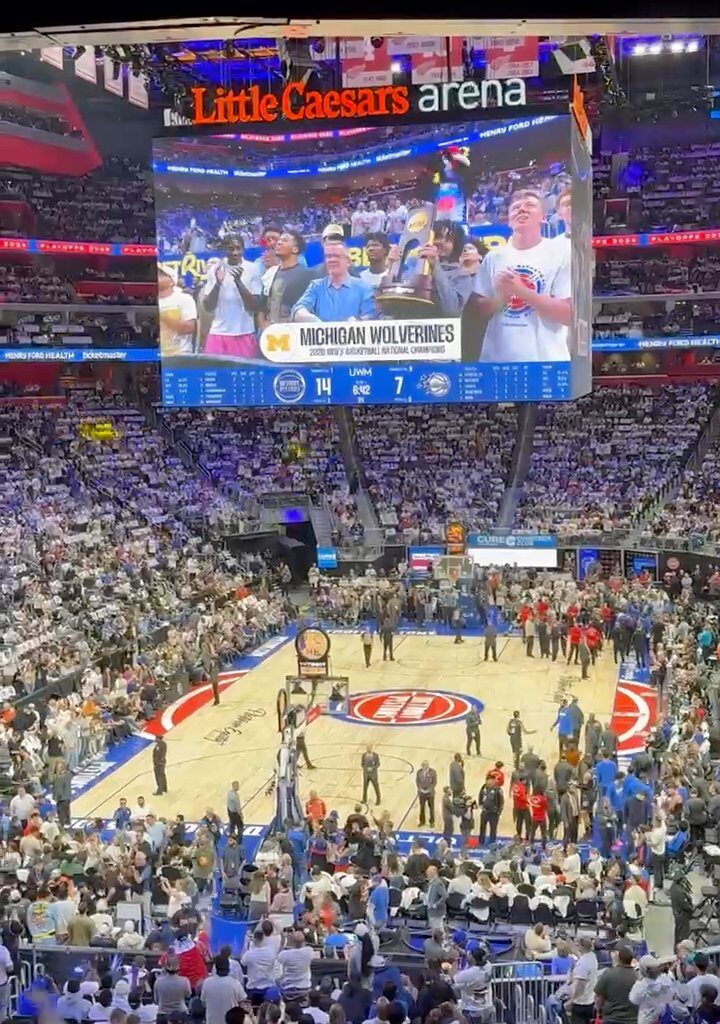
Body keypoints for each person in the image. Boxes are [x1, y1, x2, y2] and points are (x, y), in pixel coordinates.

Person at [471, 189, 571, 363]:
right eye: (516, 207)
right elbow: (476, 313)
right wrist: (500, 299)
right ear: (508, 220)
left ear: (543, 216)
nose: (522, 209)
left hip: (545, 362)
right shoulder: (493, 258)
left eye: (530, 205)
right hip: (495, 362)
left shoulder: (562, 252)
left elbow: (568, 314)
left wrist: (521, 291)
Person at [201, 236, 262, 358]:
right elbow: (208, 306)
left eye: (238, 248)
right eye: (231, 249)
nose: (235, 253)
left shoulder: (253, 269)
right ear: (224, 250)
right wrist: (218, 283)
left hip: (244, 333)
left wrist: (238, 282)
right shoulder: (215, 269)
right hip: (218, 333)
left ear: (243, 249)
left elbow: (254, 306)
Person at [293, 243, 375, 322]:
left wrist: (357, 323)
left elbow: (370, 317)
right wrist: (313, 321)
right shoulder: (316, 286)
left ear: (348, 262)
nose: (332, 260)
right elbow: (298, 309)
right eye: (328, 257)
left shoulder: (364, 288)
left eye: (337, 256)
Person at [262, 230, 314, 325]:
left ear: (295, 249)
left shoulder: (306, 274)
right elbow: (264, 304)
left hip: (293, 331)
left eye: (284, 240)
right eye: (279, 240)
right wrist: (263, 324)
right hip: (272, 332)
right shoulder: (272, 273)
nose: (279, 242)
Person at [158, 266, 198, 356]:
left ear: (172, 281)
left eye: (161, 275)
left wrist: (163, 317)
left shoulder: (184, 299)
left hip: (180, 355)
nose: (157, 277)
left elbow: (189, 328)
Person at [594, 944, 638, 1024]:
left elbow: (599, 997)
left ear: (619, 957)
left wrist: (598, 1010)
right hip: (633, 1020)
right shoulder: (637, 977)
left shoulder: (608, 974)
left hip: (612, 1019)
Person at [629, 955, 677, 1024]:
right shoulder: (666, 979)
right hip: (663, 1018)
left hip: (646, 1019)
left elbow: (633, 1000)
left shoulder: (641, 985)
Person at [200, 957, 246, 1024]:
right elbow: (242, 1003)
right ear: (228, 969)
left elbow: (203, 1002)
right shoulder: (235, 984)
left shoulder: (207, 983)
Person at [566, 936, 598, 1024]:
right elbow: (579, 953)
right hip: (590, 1000)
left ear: (581, 947)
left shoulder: (583, 963)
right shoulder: (592, 957)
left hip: (580, 1003)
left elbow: (580, 985)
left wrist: (571, 1001)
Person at [425, 863, 447, 931]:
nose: (427, 874)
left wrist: (436, 904)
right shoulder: (431, 883)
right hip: (431, 911)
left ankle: (441, 941)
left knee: (438, 930)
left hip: (437, 912)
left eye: (428, 872)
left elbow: (445, 896)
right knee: (434, 930)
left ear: (433, 873)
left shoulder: (438, 883)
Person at [416, 761, 437, 829]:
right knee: (422, 808)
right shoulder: (419, 772)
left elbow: (434, 782)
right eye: (423, 765)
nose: (424, 766)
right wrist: (420, 789)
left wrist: (429, 790)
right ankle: (422, 821)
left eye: (425, 765)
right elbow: (417, 781)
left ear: (428, 766)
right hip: (422, 793)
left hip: (430, 793)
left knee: (431, 808)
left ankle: (432, 822)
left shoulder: (433, 772)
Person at [52, 759, 72, 827]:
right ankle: (68, 822)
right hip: (67, 796)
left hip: (61, 798)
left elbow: (59, 789)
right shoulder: (68, 774)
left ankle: (62, 825)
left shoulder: (60, 778)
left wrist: (56, 797)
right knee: (67, 810)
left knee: (61, 812)